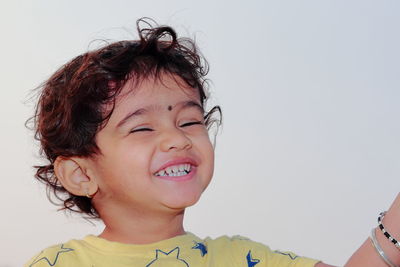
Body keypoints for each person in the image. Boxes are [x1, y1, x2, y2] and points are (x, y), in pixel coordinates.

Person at [24, 18, 400, 267]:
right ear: (79, 174)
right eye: (142, 128)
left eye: (189, 120)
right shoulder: (60, 263)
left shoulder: (240, 257)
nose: (177, 138)